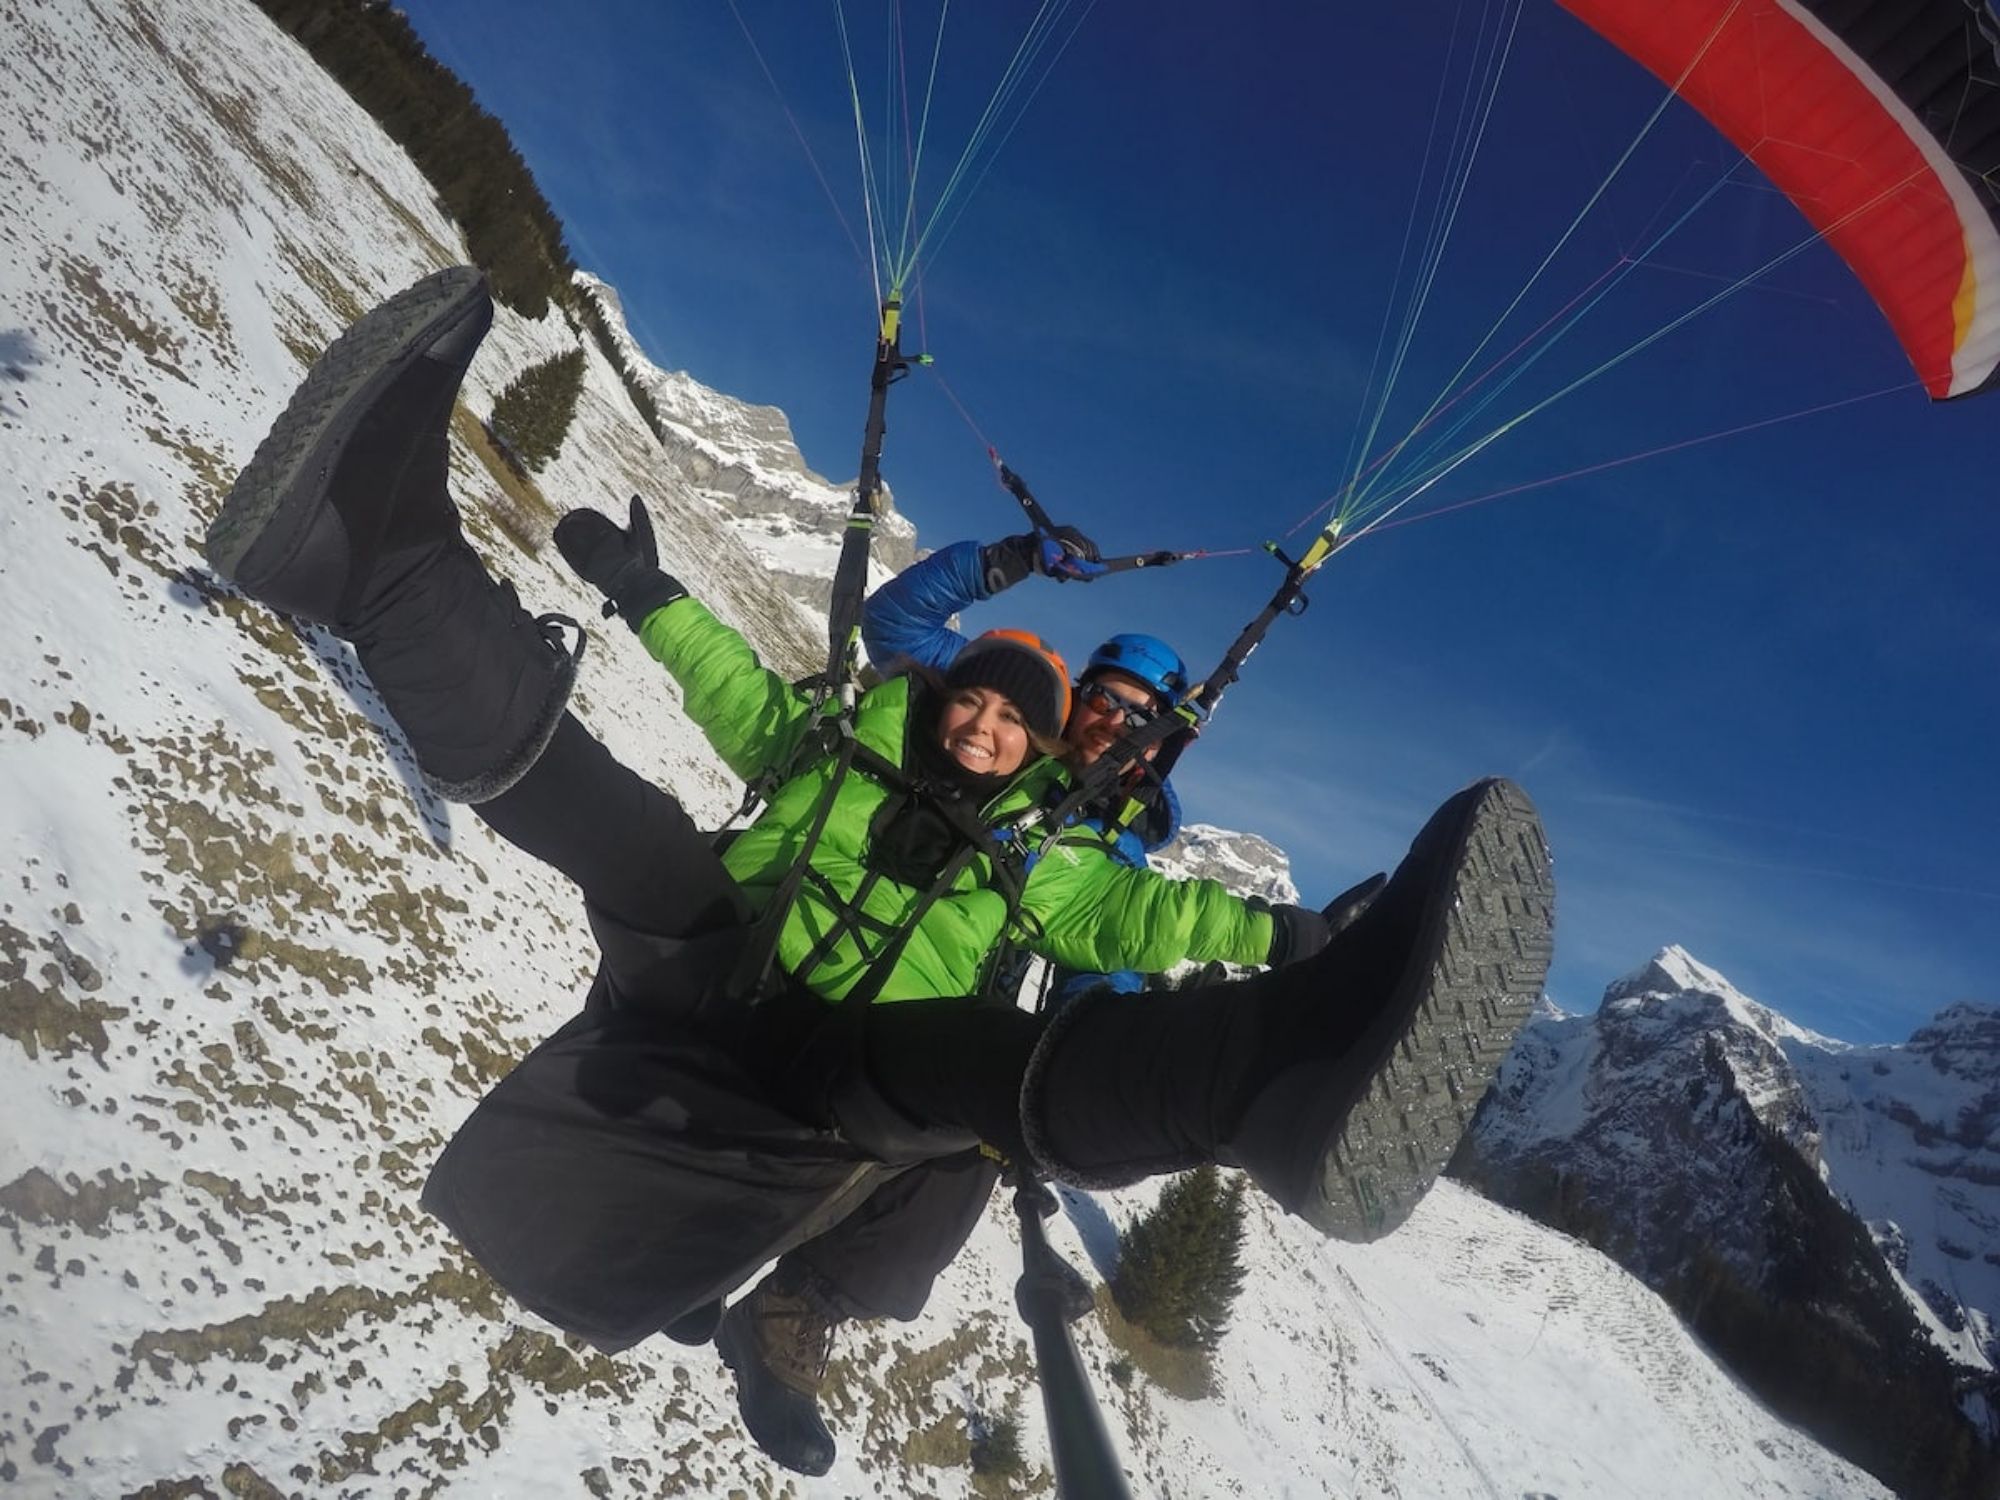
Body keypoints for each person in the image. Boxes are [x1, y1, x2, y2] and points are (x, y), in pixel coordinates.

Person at [204, 266, 1555, 1478]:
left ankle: (1275, 1082)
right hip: (720, 967)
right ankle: (375, 565)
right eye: (979, 699)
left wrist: (1289, 940)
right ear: (949, 695)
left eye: (1018, 721)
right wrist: (644, 592)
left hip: (849, 1065)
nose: (988, 724)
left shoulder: (1050, 853)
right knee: (624, 828)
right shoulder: (843, 736)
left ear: (1041, 750)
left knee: (979, 1081)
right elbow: (732, 683)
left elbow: (1141, 912)